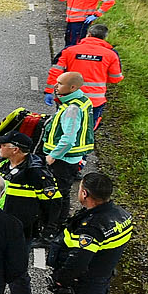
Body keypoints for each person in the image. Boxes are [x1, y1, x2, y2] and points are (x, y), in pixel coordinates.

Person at [0, 131, 64, 294]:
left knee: (17, 275)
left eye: (3, 145)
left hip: (20, 233)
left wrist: (47, 231)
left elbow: (54, 204)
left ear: (16, 149)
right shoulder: (2, 164)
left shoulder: (37, 173)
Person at [45, 21, 123, 132]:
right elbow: (116, 78)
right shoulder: (111, 55)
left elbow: (56, 71)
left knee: (63, 126)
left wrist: (48, 91)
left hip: (69, 96)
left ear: (89, 35)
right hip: (95, 100)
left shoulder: (69, 51)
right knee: (87, 129)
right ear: (104, 38)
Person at [41, 70, 96, 199]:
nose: (55, 86)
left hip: (63, 159)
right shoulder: (83, 100)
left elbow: (69, 139)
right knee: (62, 192)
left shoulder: (72, 108)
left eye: (60, 83)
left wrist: (52, 156)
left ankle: (57, 218)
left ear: (72, 87)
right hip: (71, 158)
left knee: (57, 194)